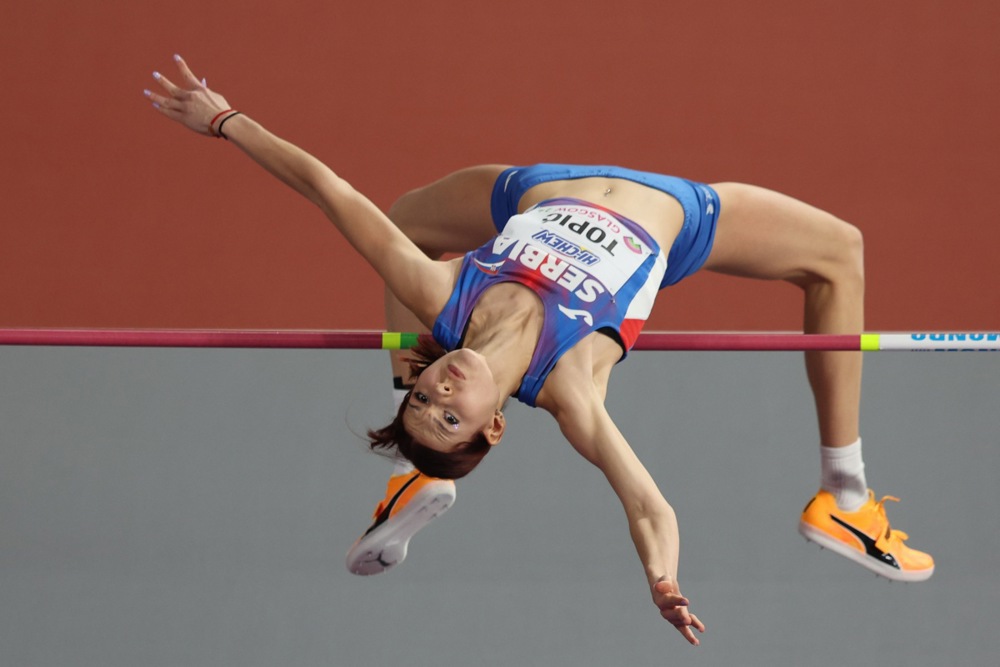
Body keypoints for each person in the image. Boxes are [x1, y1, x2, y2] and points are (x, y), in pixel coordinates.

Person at [147, 55, 934, 646]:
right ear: (495, 426)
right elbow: (650, 504)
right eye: (449, 417)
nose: (441, 391)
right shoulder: (569, 391)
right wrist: (661, 578)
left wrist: (225, 120)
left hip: (538, 186)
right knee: (840, 251)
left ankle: (406, 476)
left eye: (423, 397)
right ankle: (845, 494)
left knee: (406, 217)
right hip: (681, 215)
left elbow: (329, 189)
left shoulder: (438, 296)